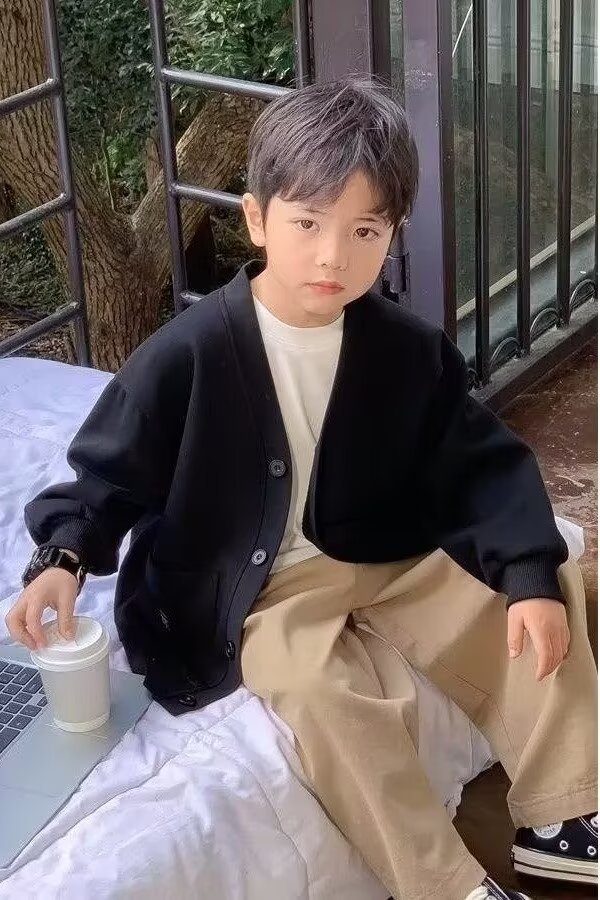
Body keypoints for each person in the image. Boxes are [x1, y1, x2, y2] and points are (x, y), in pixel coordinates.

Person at [6, 75, 597, 900]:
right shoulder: (189, 354)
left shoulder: (405, 349)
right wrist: (64, 558)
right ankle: (446, 885)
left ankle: (564, 817)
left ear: (392, 234)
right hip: (253, 587)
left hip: (385, 548)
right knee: (322, 693)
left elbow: (477, 463)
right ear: (256, 219)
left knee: (537, 589)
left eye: (364, 230)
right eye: (308, 222)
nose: (332, 256)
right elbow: (110, 471)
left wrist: (527, 573)